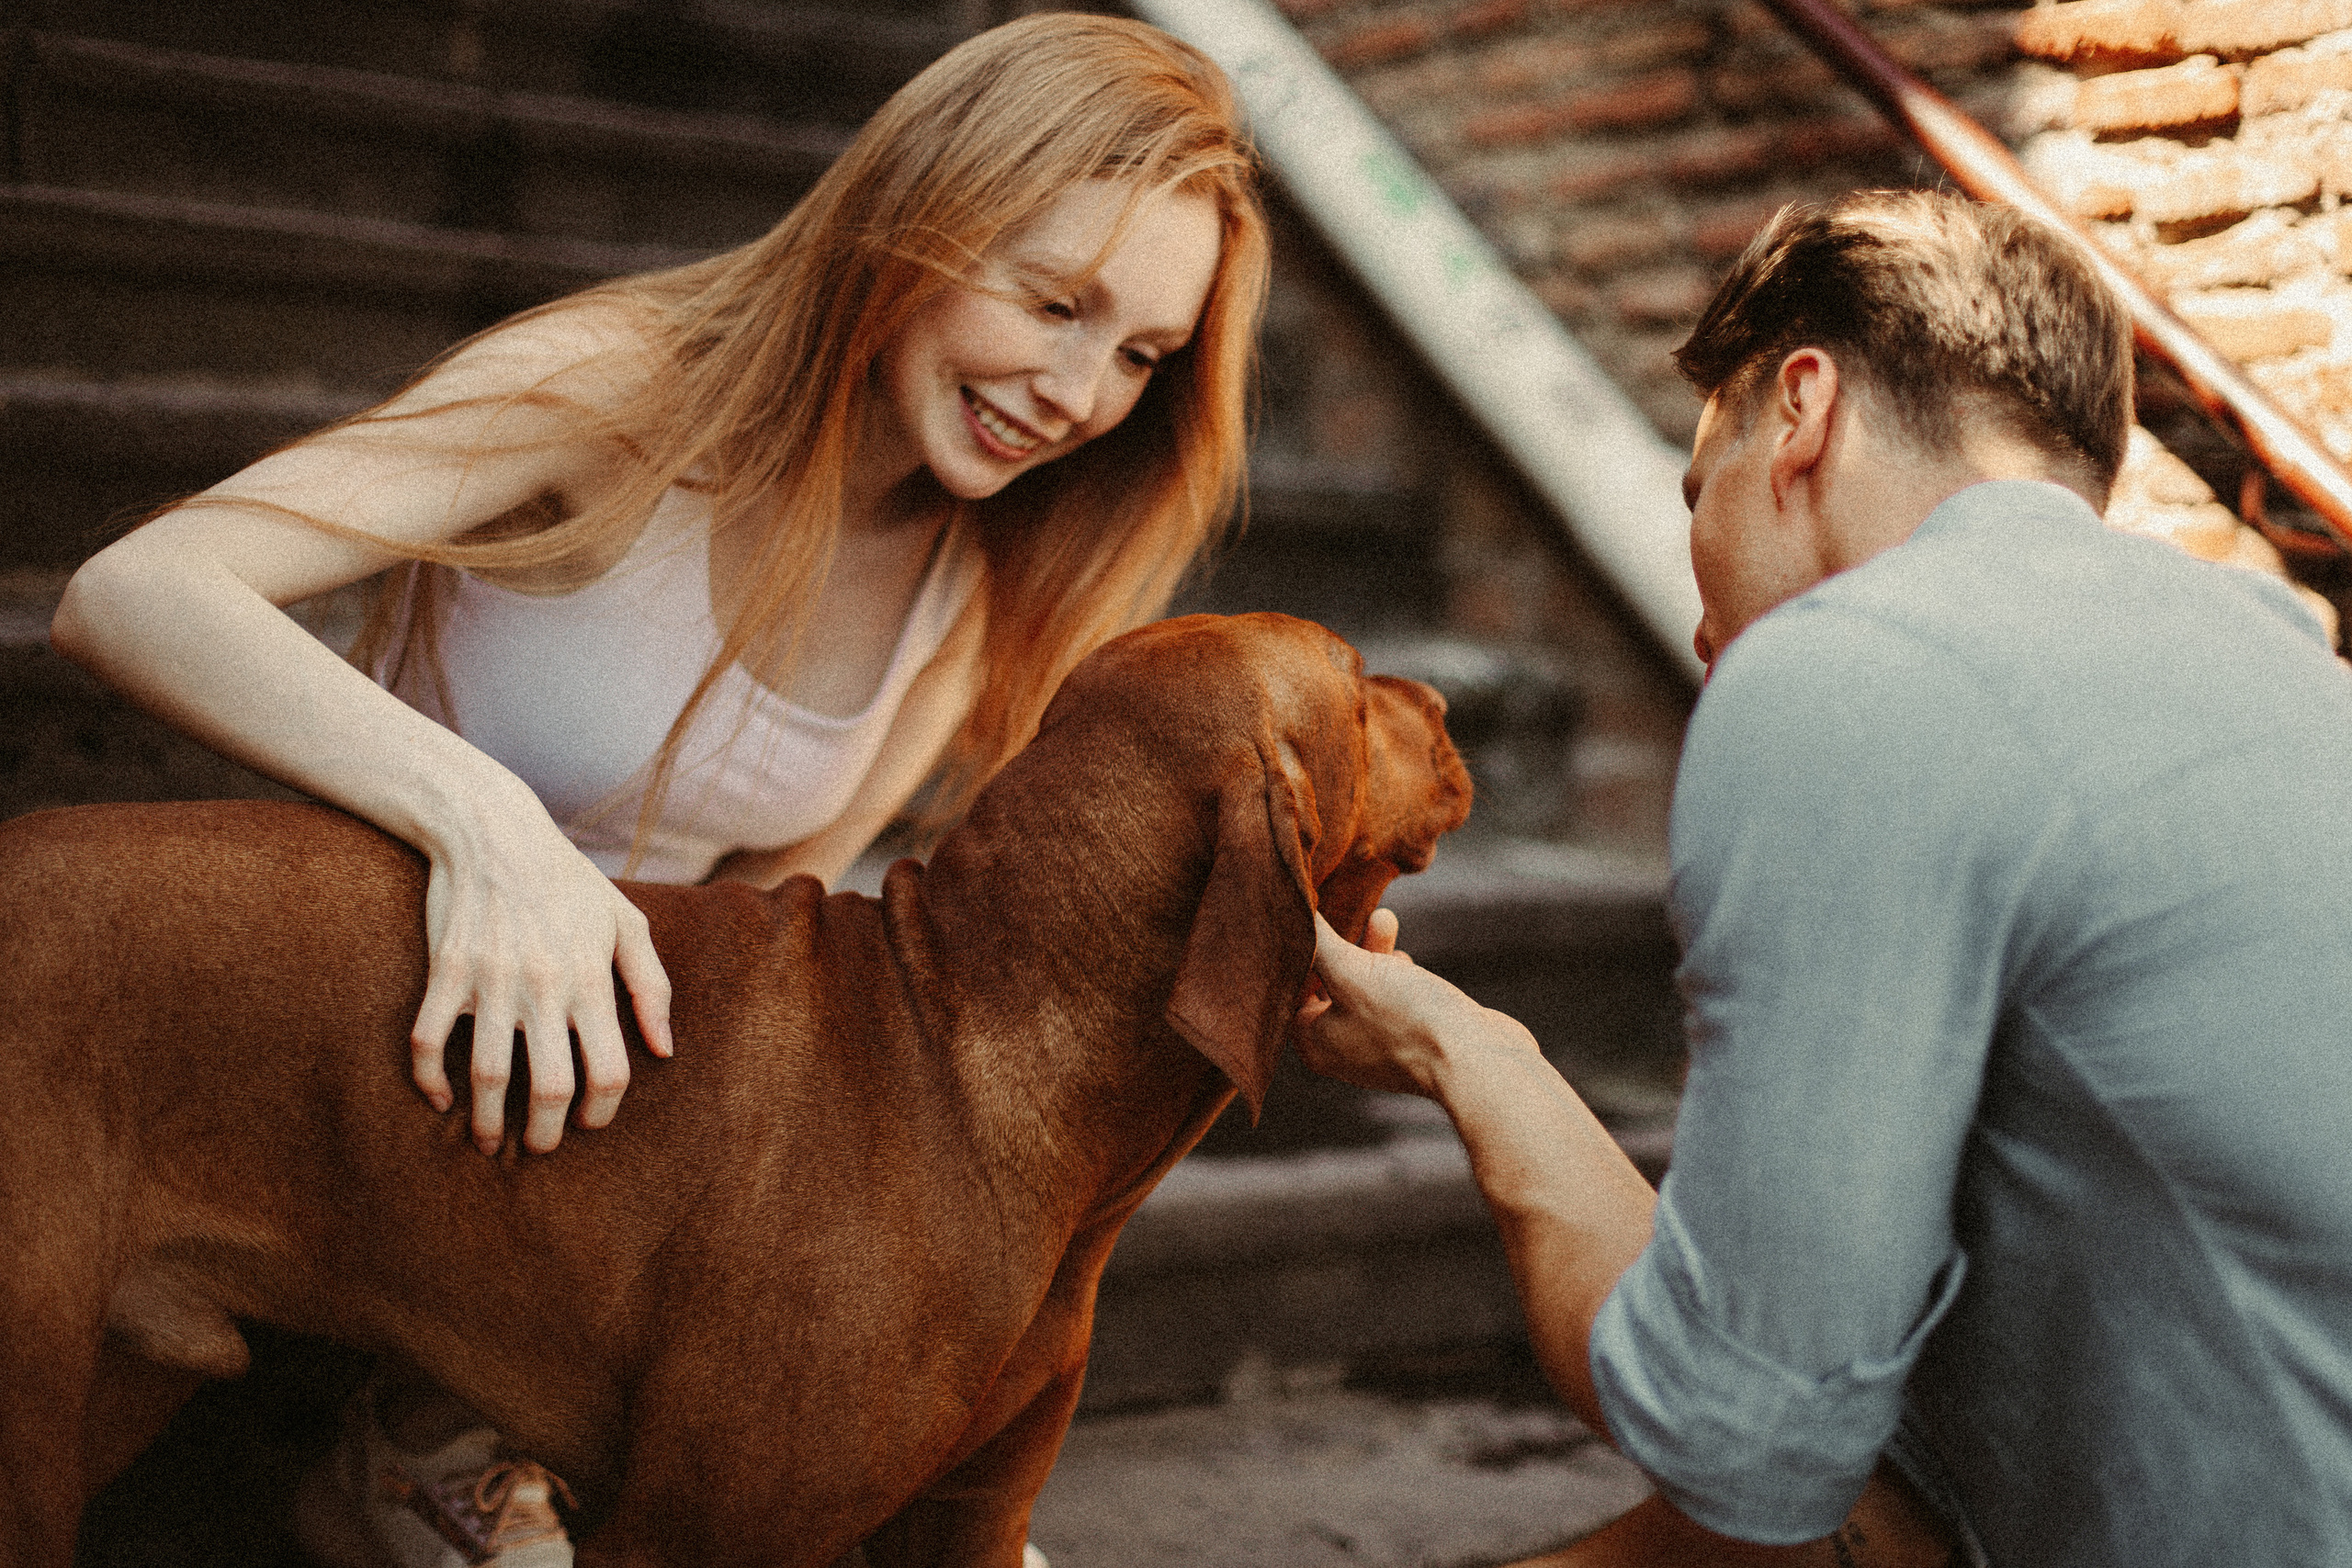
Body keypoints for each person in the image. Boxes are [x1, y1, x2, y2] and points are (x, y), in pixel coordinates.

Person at [51, 15, 1267, 1567]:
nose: (1079, 393)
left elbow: (789, 919)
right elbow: (139, 591)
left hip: (606, 1110)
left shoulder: (985, 566)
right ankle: (436, 1449)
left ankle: (448, 1438)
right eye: (1052, 303)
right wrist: (483, 826)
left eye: (1144, 355)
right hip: (368, 1032)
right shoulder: (617, 386)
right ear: (918, 217)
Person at [1298, 188, 2352, 1567]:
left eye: (1699, 491)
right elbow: (1840, 1433)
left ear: (1801, 412)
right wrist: (1467, 1043)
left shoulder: (1860, 663)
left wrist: (1462, 1055)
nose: (1695, 616)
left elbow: (1742, 1454)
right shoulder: (2281, 648)